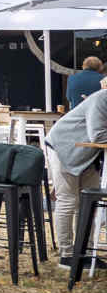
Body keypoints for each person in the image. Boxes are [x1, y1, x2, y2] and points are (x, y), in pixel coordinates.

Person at [46, 87, 107, 266]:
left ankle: (85, 252)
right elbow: (98, 135)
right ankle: (66, 254)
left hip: (89, 154)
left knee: (89, 203)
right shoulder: (102, 99)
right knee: (68, 200)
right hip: (64, 147)